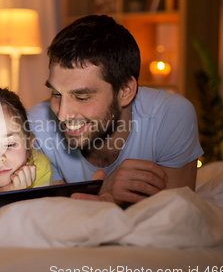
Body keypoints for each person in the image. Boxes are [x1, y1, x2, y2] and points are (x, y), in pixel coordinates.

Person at [27, 15, 203, 205]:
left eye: (82, 97)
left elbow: (177, 219)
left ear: (125, 91)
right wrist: (103, 193)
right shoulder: (37, 126)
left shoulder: (170, 116)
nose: (62, 115)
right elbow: (54, 219)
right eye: (56, 93)